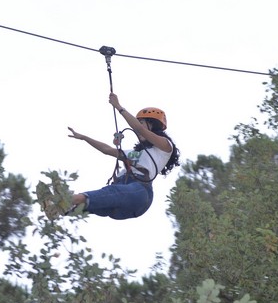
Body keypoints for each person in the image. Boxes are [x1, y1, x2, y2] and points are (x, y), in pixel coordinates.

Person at [36, 92, 180, 220]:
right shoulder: (136, 154)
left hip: (140, 192)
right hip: (123, 196)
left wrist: (118, 106)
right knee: (91, 204)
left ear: (152, 125)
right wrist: (84, 138)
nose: (138, 131)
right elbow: (107, 150)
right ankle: (58, 209)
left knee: (110, 192)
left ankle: (65, 199)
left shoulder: (165, 147)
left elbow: (138, 128)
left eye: (142, 123)